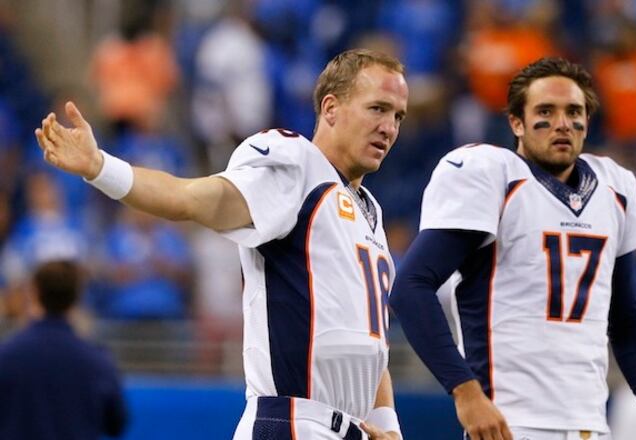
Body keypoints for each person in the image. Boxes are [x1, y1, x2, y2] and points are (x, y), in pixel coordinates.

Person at [35, 48, 408, 440]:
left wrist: (387, 426)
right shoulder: (298, 166)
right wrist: (102, 168)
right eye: (378, 109)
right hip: (295, 422)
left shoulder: (370, 212)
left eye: (398, 115)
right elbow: (195, 199)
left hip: (351, 429)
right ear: (330, 108)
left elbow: (372, 339)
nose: (389, 127)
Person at [390, 57, 636, 440]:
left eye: (574, 111)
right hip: (511, 423)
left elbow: (626, 316)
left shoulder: (615, 188)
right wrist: (466, 392)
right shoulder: (493, 174)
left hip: (591, 424)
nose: (562, 123)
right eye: (545, 111)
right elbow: (411, 286)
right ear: (516, 123)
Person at [0, 260, 127, 440]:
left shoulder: (5, 356)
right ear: (77, 297)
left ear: (35, 292)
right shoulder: (98, 361)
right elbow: (115, 424)